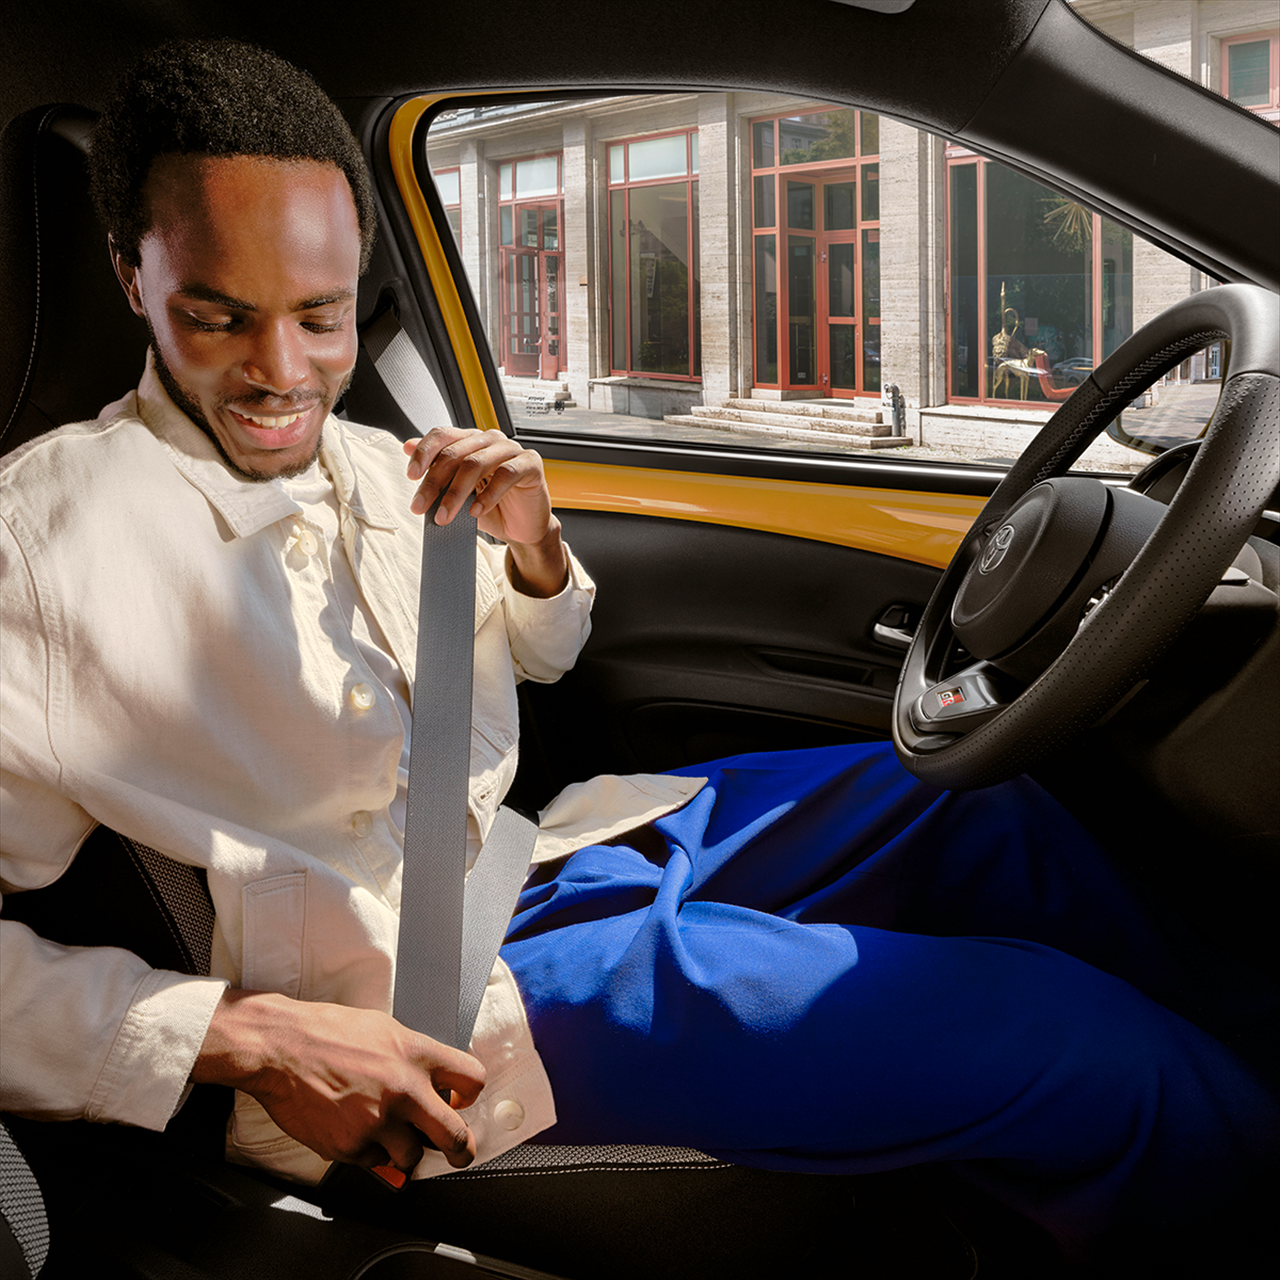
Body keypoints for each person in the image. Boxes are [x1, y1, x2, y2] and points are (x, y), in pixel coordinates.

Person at [0, 39, 1274, 1271]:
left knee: (985, 810)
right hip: (419, 1000)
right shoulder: (41, 543)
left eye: (320, 317)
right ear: (131, 275)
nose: (283, 372)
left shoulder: (382, 464)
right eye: (218, 317)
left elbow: (541, 657)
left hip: (540, 851)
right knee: (1077, 1047)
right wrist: (246, 1036)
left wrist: (535, 546)